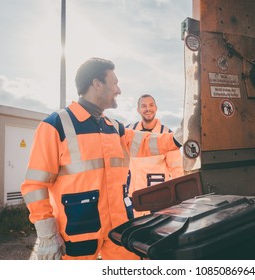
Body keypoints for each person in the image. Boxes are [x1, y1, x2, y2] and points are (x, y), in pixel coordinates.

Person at [20, 57, 182, 260]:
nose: (119, 89)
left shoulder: (114, 127)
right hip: (78, 232)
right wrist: (47, 233)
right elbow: (35, 185)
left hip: (119, 228)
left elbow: (148, 142)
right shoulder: (56, 126)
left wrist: (180, 137)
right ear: (97, 84)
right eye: (114, 83)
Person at [126, 94, 184, 217]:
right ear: (138, 110)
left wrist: (180, 197)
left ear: (156, 108)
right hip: (132, 196)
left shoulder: (167, 134)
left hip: (158, 195)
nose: (148, 109)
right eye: (144, 106)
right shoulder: (129, 131)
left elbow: (176, 169)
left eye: (151, 105)